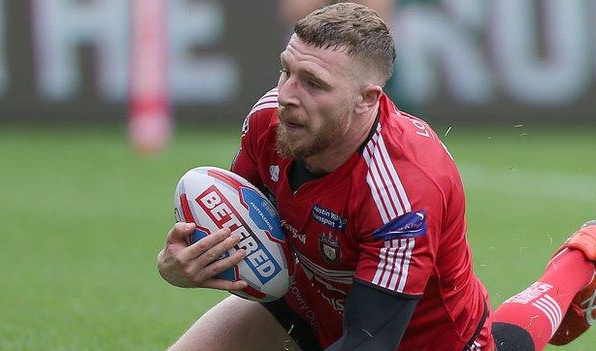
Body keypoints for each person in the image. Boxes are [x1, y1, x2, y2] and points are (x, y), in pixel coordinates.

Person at [157, 3, 596, 350]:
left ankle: (579, 262)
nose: (287, 95)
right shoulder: (271, 119)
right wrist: (185, 264)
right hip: (307, 302)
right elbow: (252, 229)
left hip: (415, 340)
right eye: (286, 71)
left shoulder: (403, 192)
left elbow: (371, 341)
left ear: (367, 99)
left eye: (313, 83)